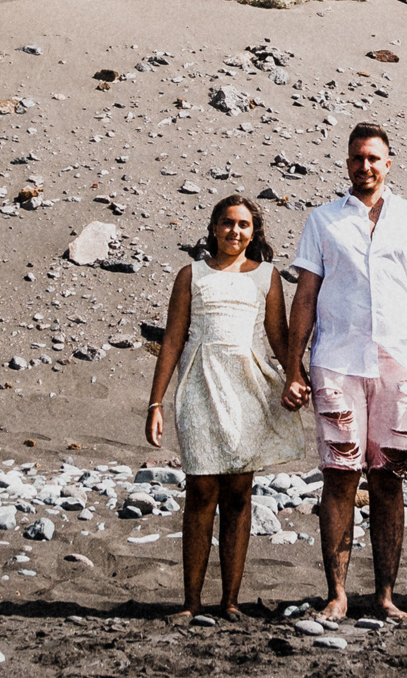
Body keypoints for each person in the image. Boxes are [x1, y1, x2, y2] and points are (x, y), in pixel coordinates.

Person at [281, 123, 407, 622]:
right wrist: (293, 366)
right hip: (335, 361)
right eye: (357, 158)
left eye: (374, 158)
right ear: (347, 163)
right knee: (338, 475)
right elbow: (305, 296)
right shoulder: (323, 220)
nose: (365, 166)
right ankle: (337, 594)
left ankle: (385, 596)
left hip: (396, 362)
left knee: (389, 478)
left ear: (389, 162)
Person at [146, 194, 306, 620]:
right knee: (201, 488)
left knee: (239, 491)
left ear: (254, 232)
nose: (235, 232)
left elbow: (278, 336)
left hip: (249, 387)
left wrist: (297, 375)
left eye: (244, 225)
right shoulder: (190, 276)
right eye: (228, 223)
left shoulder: (267, 277)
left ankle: (230, 601)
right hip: (199, 384)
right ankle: (190, 602)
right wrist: (156, 402)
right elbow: (173, 340)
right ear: (214, 227)